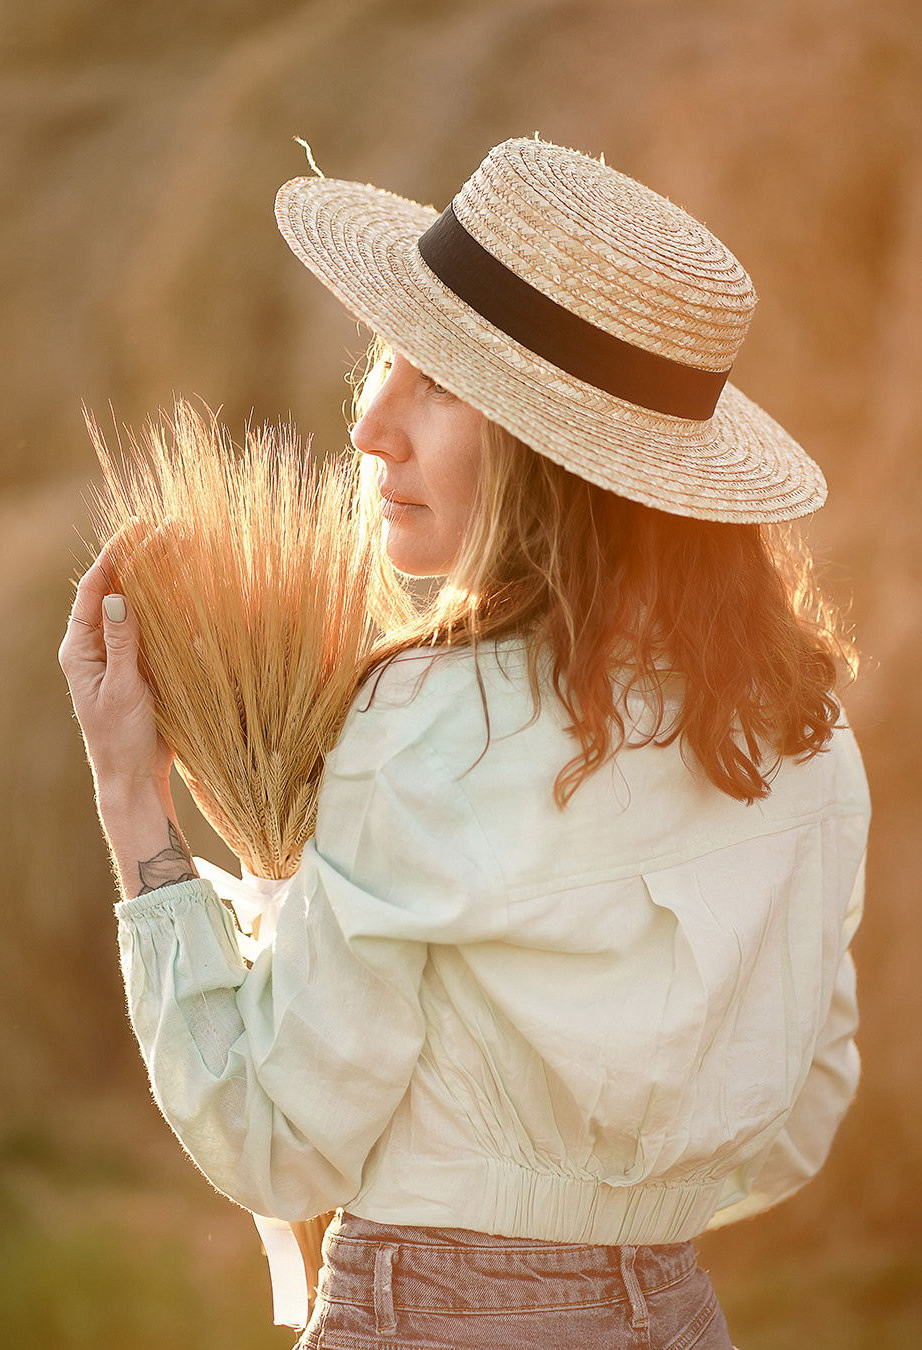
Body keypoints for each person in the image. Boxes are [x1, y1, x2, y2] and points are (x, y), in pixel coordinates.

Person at [59, 139, 869, 1349]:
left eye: (437, 381)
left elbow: (277, 1144)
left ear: (557, 460)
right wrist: (600, 1227)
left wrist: (134, 799)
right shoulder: (805, 738)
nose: (371, 425)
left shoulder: (434, 721)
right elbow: (797, 1120)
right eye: (389, 359)